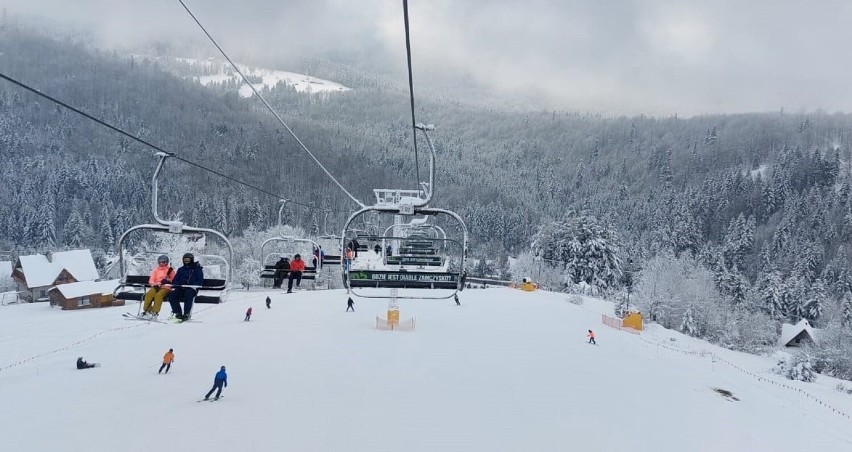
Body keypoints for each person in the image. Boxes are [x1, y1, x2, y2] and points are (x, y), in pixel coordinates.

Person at [168, 253, 204, 321]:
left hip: (191, 288)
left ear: (192, 260)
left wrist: (190, 285)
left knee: (188, 294)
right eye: (185, 260)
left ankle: (186, 314)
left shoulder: (197, 269)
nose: (186, 261)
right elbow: (175, 280)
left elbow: (199, 281)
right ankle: (177, 312)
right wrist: (179, 284)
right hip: (181, 288)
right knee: (172, 295)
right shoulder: (181, 269)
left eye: (188, 260)